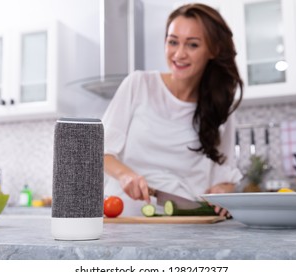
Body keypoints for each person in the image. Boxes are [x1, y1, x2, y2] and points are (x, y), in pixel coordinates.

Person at [102, 3, 243, 216]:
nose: (179, 54)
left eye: (193, 45)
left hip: (189, 225)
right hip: (126, 221)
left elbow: (226, 175)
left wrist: (223, 191)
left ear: (213, 50)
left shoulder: (221, 107)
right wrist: (124, 175)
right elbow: (99, 151)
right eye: (173, 42)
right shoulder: (139, 84)